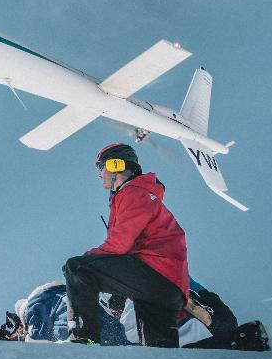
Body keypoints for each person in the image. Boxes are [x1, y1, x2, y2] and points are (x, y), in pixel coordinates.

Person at [62, 143, 189, 347]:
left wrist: (87, 261)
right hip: (169, 287)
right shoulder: (143, 194)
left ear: (114, 165)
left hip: (154, 273)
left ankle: (83, 339)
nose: (99, 174)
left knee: (77, 268)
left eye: (101, 167)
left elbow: (119, 245)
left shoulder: (132, 192)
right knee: (160, 355)